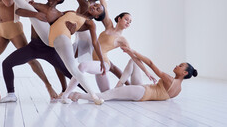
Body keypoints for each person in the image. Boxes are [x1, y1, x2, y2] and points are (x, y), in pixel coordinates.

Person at [0, 0, 85, 102]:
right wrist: (34, 14)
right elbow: (18, 11)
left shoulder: (61, 15)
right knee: (6, 63)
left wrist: (73, 28)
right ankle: (11, 94)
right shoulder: (37, 6)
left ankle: (91, 93)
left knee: (71, 73)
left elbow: (70, 29)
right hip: (33, 46)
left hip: (50, 49)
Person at [69, 46, 198, 102]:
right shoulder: (179, 90)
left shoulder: (169, 79)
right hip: (144, 90)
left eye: (180, 66)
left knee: (108, 95)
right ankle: (120, 85)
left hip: (142, 92)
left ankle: (77, 95)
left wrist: (133, 51)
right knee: (133, 61)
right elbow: (161, 95)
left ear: (184, 72)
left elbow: (151, 63)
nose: (177, 66)